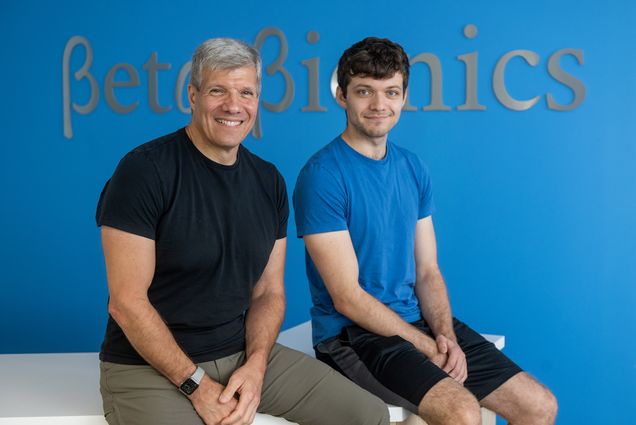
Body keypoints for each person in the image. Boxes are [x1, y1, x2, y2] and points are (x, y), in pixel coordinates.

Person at [96, 37, 389, 425]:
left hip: (239, 357)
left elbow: (269, 293)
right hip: (149, 369)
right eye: (218, 90)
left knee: (367, 415)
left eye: (246, 92)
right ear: (193, 95)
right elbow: (126, 303)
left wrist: (256, 366)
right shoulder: (145, 172)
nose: (233, 105)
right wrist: (195, 385)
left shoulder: (268, 182)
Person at [293, 37, 558, 425]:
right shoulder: (322, 177)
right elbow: (348, 298)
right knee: (463, 413)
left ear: (404, 97)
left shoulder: (412, 168)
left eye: (391, 92)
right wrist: (426, 347)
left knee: (539, 406)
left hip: (413, 322)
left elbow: (428, 271)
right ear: (341, 96)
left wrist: (445, 336)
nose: (378, 105)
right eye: (364, 91)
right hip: (352, 336)